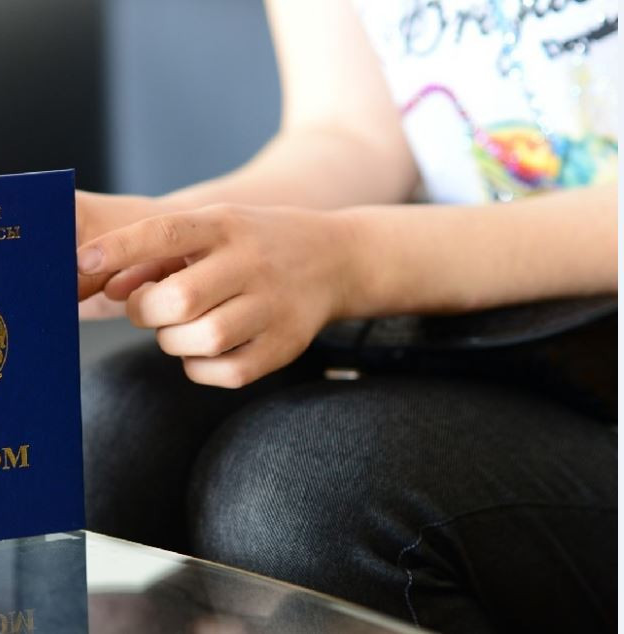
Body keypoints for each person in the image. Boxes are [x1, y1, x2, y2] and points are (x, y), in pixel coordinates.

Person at [76, 1, 617, 632]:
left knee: (305, 494)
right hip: (484, 341)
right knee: (108, 430)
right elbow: (351, 135)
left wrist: (352, 260)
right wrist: (165, 232)